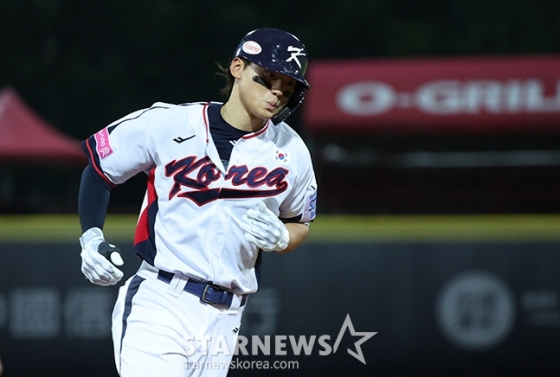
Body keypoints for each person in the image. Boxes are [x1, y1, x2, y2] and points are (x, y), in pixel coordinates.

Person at [77, 28, 318, 377]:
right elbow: (100, 169)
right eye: (267, 79)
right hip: (160, 300)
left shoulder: (292, 151)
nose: (276, 93)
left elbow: (300, 223)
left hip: (227, 316)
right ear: (237, 67)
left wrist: (283, 237)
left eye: (288, 86)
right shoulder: (169, 122)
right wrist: (91, 239)